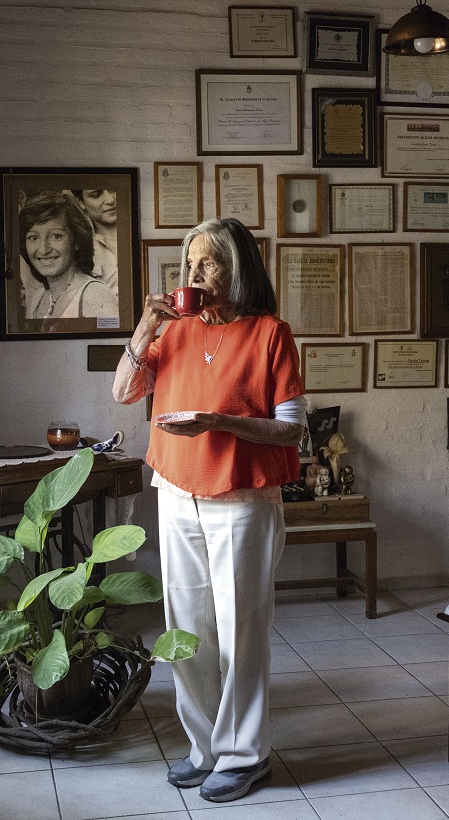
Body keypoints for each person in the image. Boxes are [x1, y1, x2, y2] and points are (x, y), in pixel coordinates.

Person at [112, 217, 305, 804]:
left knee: (240, 632)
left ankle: (247, 755)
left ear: (237, 268)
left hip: (242, 500)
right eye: (188, 265)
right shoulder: (172, 331)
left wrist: (220, 422)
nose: (193, 276)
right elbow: (123, 392)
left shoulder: (271, 334)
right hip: (176, 493)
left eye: (207, 264)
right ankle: (205, 749)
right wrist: (144, 330)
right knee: (188, 628)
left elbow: (291, 431)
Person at [17, 191, 118, 321]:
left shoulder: (96, 295)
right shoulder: (38, 298)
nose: (44, 249)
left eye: (56, 236)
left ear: (77, 240)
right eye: (33, 237)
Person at [74, 187, 120, 297]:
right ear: (80, 202)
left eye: (113, 190)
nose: (110, 200)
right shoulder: (78, 248)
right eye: (96, 194)